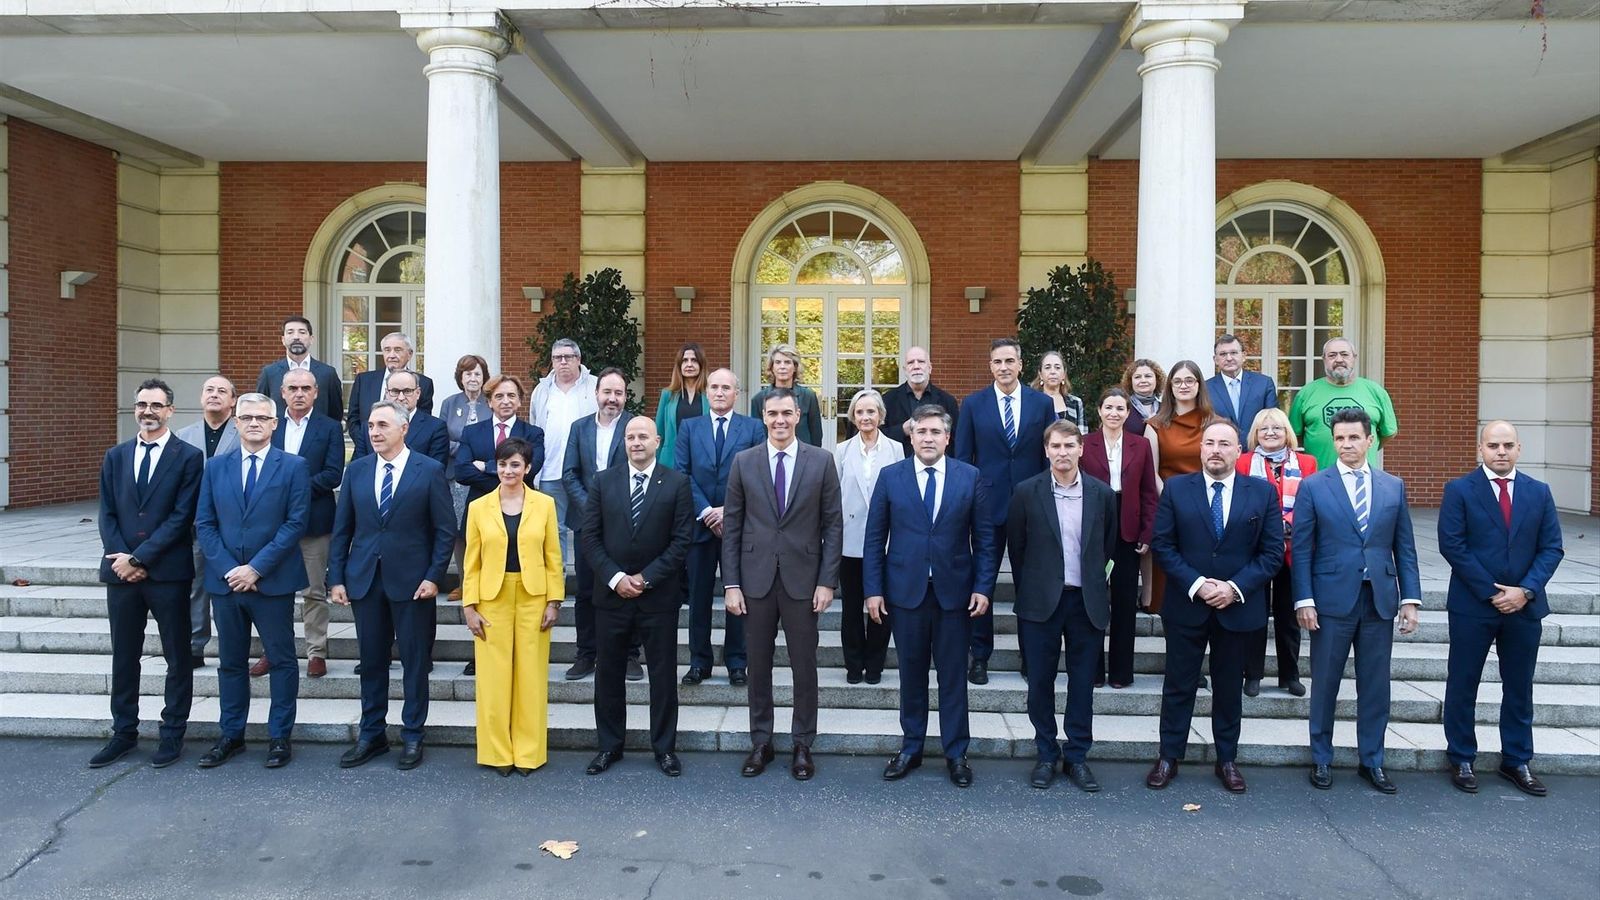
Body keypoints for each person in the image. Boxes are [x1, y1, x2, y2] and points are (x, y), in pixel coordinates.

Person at [1147, 418, 1284, 794]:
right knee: (1178, 685)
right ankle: (1168, 757)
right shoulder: (1176, 489)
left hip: (1237, 608)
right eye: (1210, 443)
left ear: (1239, 450)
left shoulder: (1261, 493)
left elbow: (1272, 553)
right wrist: (1198, 584)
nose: (1216, 450)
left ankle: (1227, 759)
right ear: (1200, 448)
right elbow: (1163, 545)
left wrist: (1234, 588)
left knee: (1228, 689)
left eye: (1225, 444)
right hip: (1187, 605)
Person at [864, 404, 996, 788]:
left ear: (948, 438)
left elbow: (985, 541)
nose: (928, 438)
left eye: (935, 432)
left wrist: (983, 587)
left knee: (953, 677)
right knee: (911, 676)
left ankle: (957, 752)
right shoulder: (891, 477)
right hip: (905, 594)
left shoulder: (969, 478)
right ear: (911, 435)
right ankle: (911, 747)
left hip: (955, 595)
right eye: (921, 432)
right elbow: (874, 539)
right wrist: (873, 590)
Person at [1292, 407, 1420, 794]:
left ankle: (1372, 761)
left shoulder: (1392, 486)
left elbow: (1405, 547)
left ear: (1370, 440)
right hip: (1330, 601)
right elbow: (1301, 549)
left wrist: (1410, 599)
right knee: (1326, 683)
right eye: (1340, 438)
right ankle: (1322, 758)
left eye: (1354, 437)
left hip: (1379, 600)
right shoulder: (1314, 486)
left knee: (1376, 685)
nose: (1347, 444)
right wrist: (1304, 599)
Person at [1438, 420, 1565, 797]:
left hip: (1524, 608)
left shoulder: (1538, 493)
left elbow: (1552, 547)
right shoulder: (1459, 490)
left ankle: (1517, 759)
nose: (1501, 452)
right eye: (1493, 445)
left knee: (1519, 687)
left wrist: (1524, 591)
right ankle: (1461, 757)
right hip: (1473, 605)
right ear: (1481, 449)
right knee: (1463, 683)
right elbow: (1452, 545)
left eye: (1508, 445)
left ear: (1519, 449)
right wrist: (1493, 592)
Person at [327, 401, 454, 771]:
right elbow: (343, 529)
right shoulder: (358, 470)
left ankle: (413, 734)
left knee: (415, 662)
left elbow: (444, 531)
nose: (374, 431)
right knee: (371, 662)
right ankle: (372, 733)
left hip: (414, 583)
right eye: (370, 425)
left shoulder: (428, 470)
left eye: (382, 424)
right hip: (365, 580)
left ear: (403, 429)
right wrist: (336, 576)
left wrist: (434, 576)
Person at [723, 388, 843, 781]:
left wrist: (827, 581)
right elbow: (734, 528)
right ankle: (762, 741)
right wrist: (731, 584)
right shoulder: (744, 462)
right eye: (772, 413)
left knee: (803, 666)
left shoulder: (821, 461)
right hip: (755, 581)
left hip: (803, 582)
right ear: (762, 416)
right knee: (757, 666)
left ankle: (802, 744)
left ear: (798, 415)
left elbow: (833, 525)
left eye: (786, 413)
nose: (779, 420)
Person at [193, 393, 311, 769]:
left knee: (281, 659)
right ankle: (231, 734)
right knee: (230, 662)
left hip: (271, 581)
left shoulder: (294, 467)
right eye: (247, 417)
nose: (255, 423)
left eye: (262, 417)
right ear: (236, 422)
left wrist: (256, 568)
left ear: (275, 424)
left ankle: (279, 737)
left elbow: (295, 524)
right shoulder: (215, 467)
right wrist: (231, 568)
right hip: (226, 583)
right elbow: (205, 523)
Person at [91, 378, 205, 769]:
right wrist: (120, 559)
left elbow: (182, 517)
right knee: (125, 656)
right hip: (120, 574)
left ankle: (172, 733)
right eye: (142, 404)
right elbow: (107, 513)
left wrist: (140, 559)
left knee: (178, 656)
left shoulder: (189, 457)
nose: (148, 412)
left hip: (167, 574)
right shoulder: (115, 456)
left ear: (170, 411)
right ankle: (123, 732)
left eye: (156, 405)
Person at [580, 418, 696, 778]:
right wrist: (616, 578)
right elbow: (590, 537)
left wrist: (645, 579)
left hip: (658, 597)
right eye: (630, 437)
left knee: (663, 676)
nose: (636, 442)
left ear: (657, 441)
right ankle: (609, 746)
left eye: (643, 436)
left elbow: (681, 541)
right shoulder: (603, 481)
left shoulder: (677, 483)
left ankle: (664, 749)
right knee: (609, 675)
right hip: (611, 596)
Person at [1007, 421, 1117, 792]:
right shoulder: (1026, 492)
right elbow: (1017, 548)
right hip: (1040, 603)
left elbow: (1108, 547)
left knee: (1083, 684)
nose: (1063, 452)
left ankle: (1078, 756)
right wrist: (1034, 587)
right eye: (1056, 446)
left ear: (1081, 449)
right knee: (1040, 681)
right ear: (1046, 450)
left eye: (1070, 445)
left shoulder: (1102, 494)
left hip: (1085, 602)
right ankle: (1046, 753)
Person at [461, 437, 563, 775]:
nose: (508, 470)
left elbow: (553, 556)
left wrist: (554, 600)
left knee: (531, 678)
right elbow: (471, 561)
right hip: (492, 596)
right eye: (503, 464)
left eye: (515, 464)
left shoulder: (545, 504)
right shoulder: (479, 507)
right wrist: (469, 605)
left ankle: (529, 753)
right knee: (493, 679)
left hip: (534, 595)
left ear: (528, 468)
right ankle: (497, 753)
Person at [953, 337, 1053, 684]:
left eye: (1010, 361)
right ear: (990, 366)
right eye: (998, 362)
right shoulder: (973, 404)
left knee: (1031, 586)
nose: (1004, 367)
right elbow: (964, 459)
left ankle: (1031, 657)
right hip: (986, 508)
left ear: (1021, 365)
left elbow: (1048, 458)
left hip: (1031, 508)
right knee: (983, 584)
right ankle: (979, 656)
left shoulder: (1041, 404)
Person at [675, 368, 764, 686]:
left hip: (738, 527)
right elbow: (682, 472)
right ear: (706, 391)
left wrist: (728, 512)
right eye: (714, 387)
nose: (720, 392)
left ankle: (737, 662)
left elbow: (757, 474)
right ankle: (699, 661)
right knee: (698, 597)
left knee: (738, 596)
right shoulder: (689, 427)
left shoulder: (753, 428)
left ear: (736, 393)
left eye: (726, 387)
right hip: (700, 527)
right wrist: (707, 511)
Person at [453, 374, 543, 676]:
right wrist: (502, 471)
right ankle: (481, 651)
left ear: (520, 400)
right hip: (482, 519)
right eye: (499, 397)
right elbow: (463, 471)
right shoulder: (472, 432)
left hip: (523, 519)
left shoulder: (533, 433)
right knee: (480, 581)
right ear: (489, 401)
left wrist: (487, 466)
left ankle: (518, 652)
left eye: (511, 396)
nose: (505, 402)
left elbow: (530, 472)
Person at [261, 368, 344, 680]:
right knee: (272, 591)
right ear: (282, 392)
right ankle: (274, 650)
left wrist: (292, 488)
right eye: (292, 388)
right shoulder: (268, 424)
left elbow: (333, 473)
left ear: (316, 393)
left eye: (305, 388)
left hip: (314, 521)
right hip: (271, 523)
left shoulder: (330, 428)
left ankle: (316, 653)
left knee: (312, 591)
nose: (299, 393)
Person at [560, 368, 641, 682]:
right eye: (607, 392)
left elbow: (640, 470)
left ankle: (630, 655)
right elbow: (569, 474)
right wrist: (594, 509)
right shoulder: (579, 428)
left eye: (619, 393)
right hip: (586, 524)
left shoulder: (634, 427)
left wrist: (614, 511)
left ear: (625, 396)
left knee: (629, 588)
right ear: (596, 394)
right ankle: (586, 654)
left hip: (627, 524)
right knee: (585, 591)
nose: (613, 399)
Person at [1235, 407, 1317, 698]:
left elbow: (1310, 504)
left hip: (1293, 550)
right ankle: (1252, 674)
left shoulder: (1307, 463)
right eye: (1264, 428)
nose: (1270, 433)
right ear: (1255, 434)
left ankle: (1289, 675)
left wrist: (1288, 524)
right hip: (1255, 549)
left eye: (1277, 428)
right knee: (1255, 614)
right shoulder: (1244, 462)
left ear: (1288, 433)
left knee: (1288, 616)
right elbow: (1240, 501)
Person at [1081, 388, 1157, 689]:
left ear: (1128, 413)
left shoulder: (1140, 445)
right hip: (1094, 529)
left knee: (1125, 604)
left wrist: (1147, 532)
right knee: (1094, 602)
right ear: (1099, 411)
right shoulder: (1085, 444)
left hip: (1128, 529)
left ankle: (1122, 672)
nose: (1114, 413)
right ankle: (1095, 671)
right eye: (1108, 407)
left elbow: (1149, 493)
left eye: (1120, 408)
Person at [834, 388, 903, 684]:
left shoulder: (897, 449)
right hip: (849, 540)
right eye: (860, 412)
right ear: (853, 416)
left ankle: (875, 665)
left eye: (871, 412)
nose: (865, 417)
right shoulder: (841, 451)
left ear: (881, 416)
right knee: (851, 606)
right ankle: (853, 665)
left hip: (885, 541)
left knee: (881, 607)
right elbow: (833, 496)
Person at [176, 375, 239, 667]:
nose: (215, 395)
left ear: (233, 400)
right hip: (196, 525)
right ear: (202, 397)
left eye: (222, 391)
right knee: (195, 586)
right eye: (209, 390)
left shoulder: (243, 433)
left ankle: (236, 647)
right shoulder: (183, 436)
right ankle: (194, 645)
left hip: (234, 524)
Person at [1144, 359, 1214, 616]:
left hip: (1208, 505)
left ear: (1199, 385)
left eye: (1189, 380)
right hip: (1170, 504)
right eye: (1177, 381)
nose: (1183, 385)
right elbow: (1151, 472)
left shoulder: (1214, 423)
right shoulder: (1155, 425)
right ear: (1169, 387)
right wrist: (1177, 501)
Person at [529, 338, 597, 565]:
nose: (563, 362)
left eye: (569, 357)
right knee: (553, 530)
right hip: (550, 471)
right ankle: (557, 583)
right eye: (558, 358)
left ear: (579, 359)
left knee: (589, 526)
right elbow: (535, 428)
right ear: (552, 361)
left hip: (586, 472)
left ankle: (588, 584)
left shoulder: (594, 386)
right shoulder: (541, 390)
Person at [1286, 337, 1398, 470]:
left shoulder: (1376, 392)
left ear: (1354, 357)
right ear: (1324, 359)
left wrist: (1363, 447)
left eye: (1344, 354)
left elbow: (1388, 433)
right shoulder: (1306, 393)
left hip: (1363, 477)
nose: (1339, 359)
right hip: (1319, 476)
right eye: (1332, 355)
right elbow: (1293, 435)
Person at [439, 353, 491, 600]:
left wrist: (475, 452)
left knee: (484, 530)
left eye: (477, 373)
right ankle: (464, 582)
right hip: (456, 477)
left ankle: (486, 581)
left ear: (484, 377)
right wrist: (467, 450)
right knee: (460, 531)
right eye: (468, 373)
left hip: (484, 477)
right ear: (460, 377)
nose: (472, 378)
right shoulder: (450, 403)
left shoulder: (491, 402)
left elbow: (494, 437)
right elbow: (441, 438)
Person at [347, 332, 435, 456]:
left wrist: (397, 449)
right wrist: (369, 442)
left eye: (397, 350)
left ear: (410, 354)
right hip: (368, 452)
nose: (392, 355)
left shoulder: (424, 383)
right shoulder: (364, 380)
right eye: (387, 350)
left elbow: (423, 423)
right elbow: (353, 418)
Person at [255, 315, 344, 428]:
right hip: (278, 439)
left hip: (318, 440)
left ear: (311, 339)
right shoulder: (269, 373)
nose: (296, 337)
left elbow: (335, 413)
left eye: (302, 332)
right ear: (283, 339)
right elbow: (260, 408)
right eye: (290, 332)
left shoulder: (328, 374)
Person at [881, 345, 960, 456]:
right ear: (905, 370)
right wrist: (902, 430)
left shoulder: (947, 401)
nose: (916, 366)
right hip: (899, 465)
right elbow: (878, 437)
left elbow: (956, 440)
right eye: (910, 363)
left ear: (930, 368)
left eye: (921, 361)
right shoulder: (887, 400)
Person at [1206, 333, 1279, 442]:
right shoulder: (1205, 388)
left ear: (1244, 356)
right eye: (1223, 354)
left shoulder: (1263, 384)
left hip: (1257, 452)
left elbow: (1273, 421)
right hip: (1220, 452)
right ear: (1215, 359)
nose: (1229, 358)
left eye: (1234, 353)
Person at [748, 344, 824, 447]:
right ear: (772, 368)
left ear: (795, 367)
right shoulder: (758, 399)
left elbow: (816, 435)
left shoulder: (808, 397)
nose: (782, 366)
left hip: (803, 458)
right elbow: (756, 437)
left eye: (787, 362)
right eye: (778, 362)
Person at [374, 370, 449, 467]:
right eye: (395, 391)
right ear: (387, 393)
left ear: (418, 393)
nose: (401, 397)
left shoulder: (436, 428)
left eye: (407, 391)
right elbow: (360, 469)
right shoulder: (369, 427)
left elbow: (436, 471)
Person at [654, 341, 709, 466]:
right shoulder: (668, 395)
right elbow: (659, 432)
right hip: (671, 460)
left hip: (701, 460)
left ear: (701, 364)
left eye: (694, 360)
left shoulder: (709, 395)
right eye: (685, 360)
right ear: (679, 365)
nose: (689, 364)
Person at [1031, 350, 1086, 428]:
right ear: (1040, 374)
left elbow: (1082, 436)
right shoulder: (1031, 402)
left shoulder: (1076, 403)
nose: (1053, 372)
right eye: (1047, 367)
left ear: (1064, 374)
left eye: (1057, 367)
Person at [1121, 358, 1165, 438]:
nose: (1143, 380)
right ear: (1130, 381)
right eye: (1137, 377)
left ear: (1157, 379)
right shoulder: (1123, 408)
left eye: (1148, 376)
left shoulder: (1166, 409)